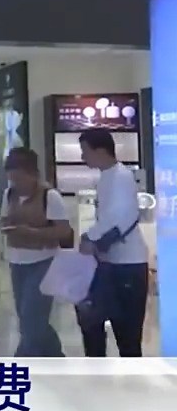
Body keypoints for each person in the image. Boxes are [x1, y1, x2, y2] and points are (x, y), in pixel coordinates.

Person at [76, 127, 147, 357]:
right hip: (108, 264)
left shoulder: (121, 177)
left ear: (101, 151)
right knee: (92, 326)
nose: (83, 157)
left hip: (127, 266)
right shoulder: (107, 177)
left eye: (85, 151)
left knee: (127, 336)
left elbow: (119, 217)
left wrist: (92, 238)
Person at [0, 147, 71, 357]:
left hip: (44, 263)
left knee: (31, 320)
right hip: (17, 262)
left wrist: (31, 232)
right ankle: (56, 357)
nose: (16, 184)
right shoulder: (9, 194)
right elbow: (4, 219)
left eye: (20, 179)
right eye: (12, 179)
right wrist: (7, 227)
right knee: (29, 318)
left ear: (33, 174)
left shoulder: (50, 196)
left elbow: (64, 231)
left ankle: (22, 363)